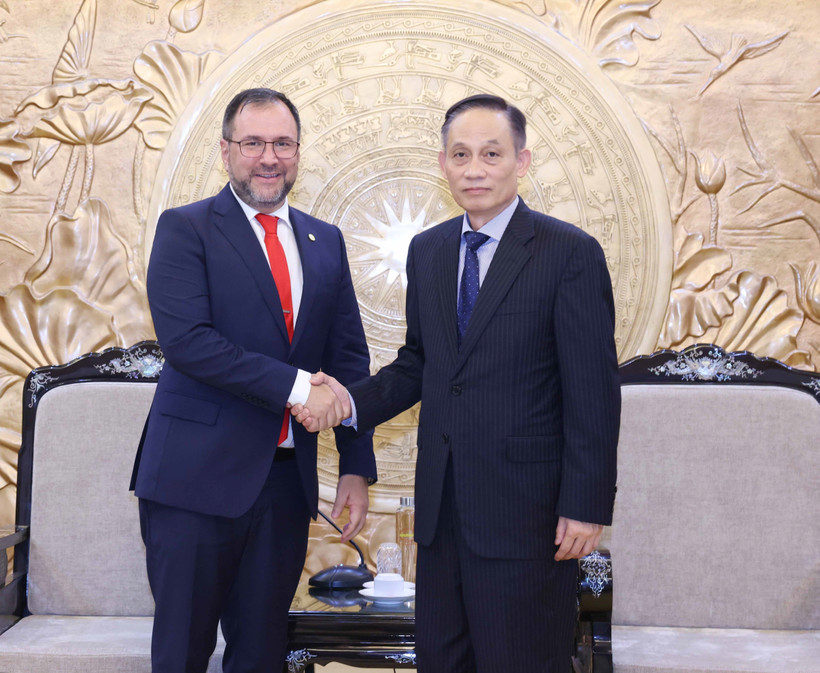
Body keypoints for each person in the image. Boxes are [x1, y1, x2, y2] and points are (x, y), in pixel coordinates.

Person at [293, 94, 620, 672]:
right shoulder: (431, 251)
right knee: (443, 662)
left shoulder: (569, 252)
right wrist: (344, 402)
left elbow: (592, 392)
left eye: (491, 154)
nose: (475, 169)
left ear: (520, 161)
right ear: (442, 163)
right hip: (443, 515)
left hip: (531, 516)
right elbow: (420, 363)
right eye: (461, 154)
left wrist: (586, 506)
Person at [130, 88, 376, 673]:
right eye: (253, 143)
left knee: (263, 654)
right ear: (226, 151)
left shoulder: (325, 242)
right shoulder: (185, 229)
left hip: (285, 488)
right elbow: (190, 343)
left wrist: (355, 467)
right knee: (182, 653)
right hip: (194, 484)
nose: (269, 157)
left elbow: (349, 360)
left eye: (282, 143)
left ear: (298, 152)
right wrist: (298, 388)